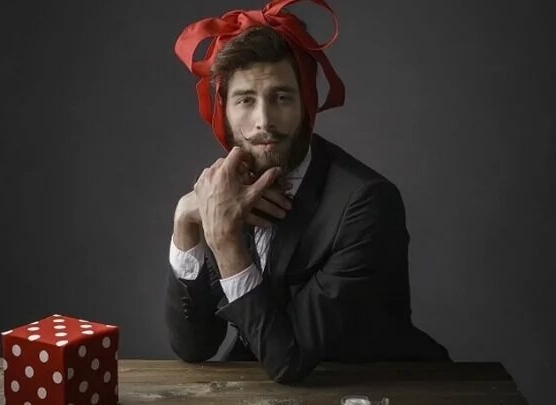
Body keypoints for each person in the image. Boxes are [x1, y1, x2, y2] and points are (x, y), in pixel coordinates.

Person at [165, 0, 450, 384]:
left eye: (282, 97)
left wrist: (224, 238)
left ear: (306, 104)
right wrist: (185, 223)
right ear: (225, 111)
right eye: (245, 100)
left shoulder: (367, 204)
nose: (264, 121)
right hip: (265, 388)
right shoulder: (225, 188)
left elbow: (290, 361)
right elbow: (193, 346)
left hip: (376, 388)